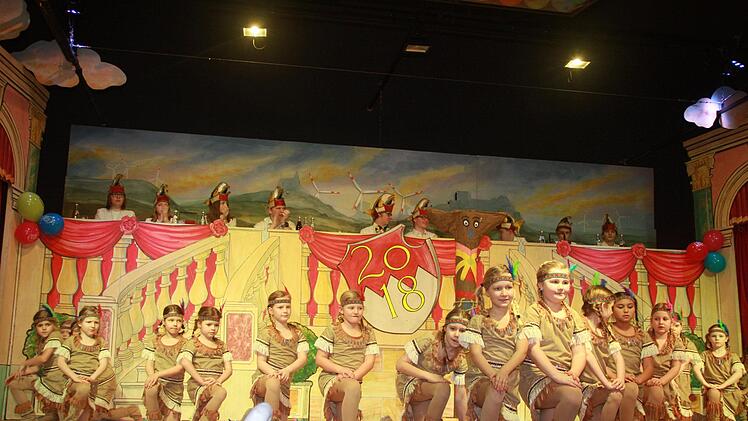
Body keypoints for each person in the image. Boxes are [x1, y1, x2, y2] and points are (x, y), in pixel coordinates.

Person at [518, 260, 589, 421]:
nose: (561, 287)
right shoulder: (534, 311)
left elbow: (579, 351)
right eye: (555, 282)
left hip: (564, 375)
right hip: (537, 373)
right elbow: (533, 349)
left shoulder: (573, 315)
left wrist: (573, 373)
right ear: (540, 285)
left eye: (565, 282)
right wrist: (557, 376)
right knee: (572, 395)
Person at [459, 265, 527, 421]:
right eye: (497, 289)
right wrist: (493, 375)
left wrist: (503, 373)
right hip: (483, 377)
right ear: (487, 292)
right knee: (496, 391)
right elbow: (476, 353)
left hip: (508, 380)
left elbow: (521, 351)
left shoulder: (520, 322)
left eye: (508, 287)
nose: (504, 293)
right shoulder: (479, 320)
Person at [56, 305, 142, 421]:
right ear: (80, 323)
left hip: (93, 381)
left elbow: (103, 363)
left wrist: (92, 377)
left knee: (92, 415)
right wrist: (74, 377)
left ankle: (130, 411)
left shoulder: (100, 342)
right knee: (83, 389)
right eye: (89, 322)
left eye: (96, 322)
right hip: (75, 380)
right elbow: (61, 362)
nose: (93, 325)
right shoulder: (71, 341)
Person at [395, 305, 468, 421]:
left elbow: (461, 395)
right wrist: (430, 376)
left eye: (462, 331)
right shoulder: (430, 339)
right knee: (444, 389)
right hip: (410, 381)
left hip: (431, 389)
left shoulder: (461, 357)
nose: (457, 334)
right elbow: (400, 365)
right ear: (445, 328)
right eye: (453, 328)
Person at [315, 290, 379, 421]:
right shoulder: (333, 329)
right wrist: (341, 370)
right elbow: (320, 359)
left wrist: (353, 376)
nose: (356, 311)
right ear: (341, 310)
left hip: (353, 379)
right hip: (332, 378)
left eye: (360, 308)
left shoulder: (368, 332)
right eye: (351, 308)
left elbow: (369, 362)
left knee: (345, 409)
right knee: (353, 387)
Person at [250, 291, 309, 420]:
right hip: (266, 377)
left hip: (284, 381)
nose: (285, 310)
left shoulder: (298, 333)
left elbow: (302, 358)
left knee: (282, 416)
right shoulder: (266, 332)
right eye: (280, 307)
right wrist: (274, 373)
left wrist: (288, 370)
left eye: (288, 307)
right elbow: (261, 362)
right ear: (271, 311)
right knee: (273, 382)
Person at [5, 306, 64, 421]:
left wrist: (25, 363)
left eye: (47, 325)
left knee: (59, 415)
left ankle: (52, 415)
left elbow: (43, 359)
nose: (44, 328)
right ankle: (29, 417)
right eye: (40, 325)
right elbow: (37, 368)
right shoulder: (42, 341)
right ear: (35, 328)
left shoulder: (55, 336)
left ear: (53, 325)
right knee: (13, 383)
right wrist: (19, 373)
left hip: (58, 382)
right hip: (48, 380)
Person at [578, 285, 626, 421]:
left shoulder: (605, 329)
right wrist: (606, 382)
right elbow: (587, 355)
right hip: (585, 382)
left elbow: (618, 357)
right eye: (611, 307)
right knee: (615, 395)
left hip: (601, 382)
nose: (612, 312)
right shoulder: (581, 324)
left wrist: (620, 378)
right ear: (602, 306)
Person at [178, 306, 233, 421]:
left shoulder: (221, 345)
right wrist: (202, 381)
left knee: (216, 396)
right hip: (198, 384)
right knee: (221, 393)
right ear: (199, 324)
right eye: (209, 324)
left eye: (216, 325)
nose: (213, 328)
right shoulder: (193, 343)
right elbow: (185, 362)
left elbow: (228, 370)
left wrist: (218, 381)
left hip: (214, 384)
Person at [609, 291, 657, 421]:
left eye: (630, 307)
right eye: (620, 307)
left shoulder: (642, 334)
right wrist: (620, 377)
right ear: (611, 309)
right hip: (612, 377)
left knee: (654, 391)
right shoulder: (607, 330)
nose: (626, 311)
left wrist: (639, 379)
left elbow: (649, 367)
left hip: (635, 380)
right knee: (630, 388)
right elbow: (600, 361)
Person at [641, 303, 688, 421]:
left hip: (665, 380)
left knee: (662, 396)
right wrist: (646, 379)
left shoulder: (675, 341)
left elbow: (675, 367)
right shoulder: (644, 338)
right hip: (645, 379)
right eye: (657, 319)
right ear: (651, 322)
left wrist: (661, 381)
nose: (661, 322)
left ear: (671, 322)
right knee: (653, 393)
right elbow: (639, 362)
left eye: (665, 319)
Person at [692, 322, 746, 421]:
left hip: (730, 389)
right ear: (709, 338)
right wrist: (705, 384)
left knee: (739, 402)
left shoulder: (732, 356)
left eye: (720, 336)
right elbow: (696, 368)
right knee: (714, 394)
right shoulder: (705, 355)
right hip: (713, 387)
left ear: (726, 338)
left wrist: (723, 385)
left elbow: (738, 373)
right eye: (714, 336)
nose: (717, 338)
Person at [142, 304, 187, 421]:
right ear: (164, 322)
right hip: (158, 383)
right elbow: (149, 363)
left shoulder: (185, 343)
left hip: (173, 388)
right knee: (151, 388)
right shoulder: (155, 341)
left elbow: (180, 368)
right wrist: (153, 376)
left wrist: (158, 374)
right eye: (171, 320)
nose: (175, 324)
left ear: (182, 323)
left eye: (178, 321)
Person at [672, 313, 700, 419]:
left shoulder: (688, 343)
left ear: (681, 326)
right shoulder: (661, 341)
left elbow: (695, 365)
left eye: (676, 325)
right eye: (670, 325)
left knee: (682, 406)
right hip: (663, 376)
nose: (673, 328)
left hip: (682, 378)